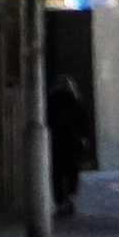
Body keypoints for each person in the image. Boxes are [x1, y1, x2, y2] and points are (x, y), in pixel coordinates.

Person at [47, 76, 91, 219]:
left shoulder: (51, 102)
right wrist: (84, 137)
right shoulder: (77, 102)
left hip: (56, 141)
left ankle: (60, 202)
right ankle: (70, 197)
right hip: (73, 142)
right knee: (72, 170)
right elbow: (84, 122)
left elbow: (48, 121)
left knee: (57, 172)